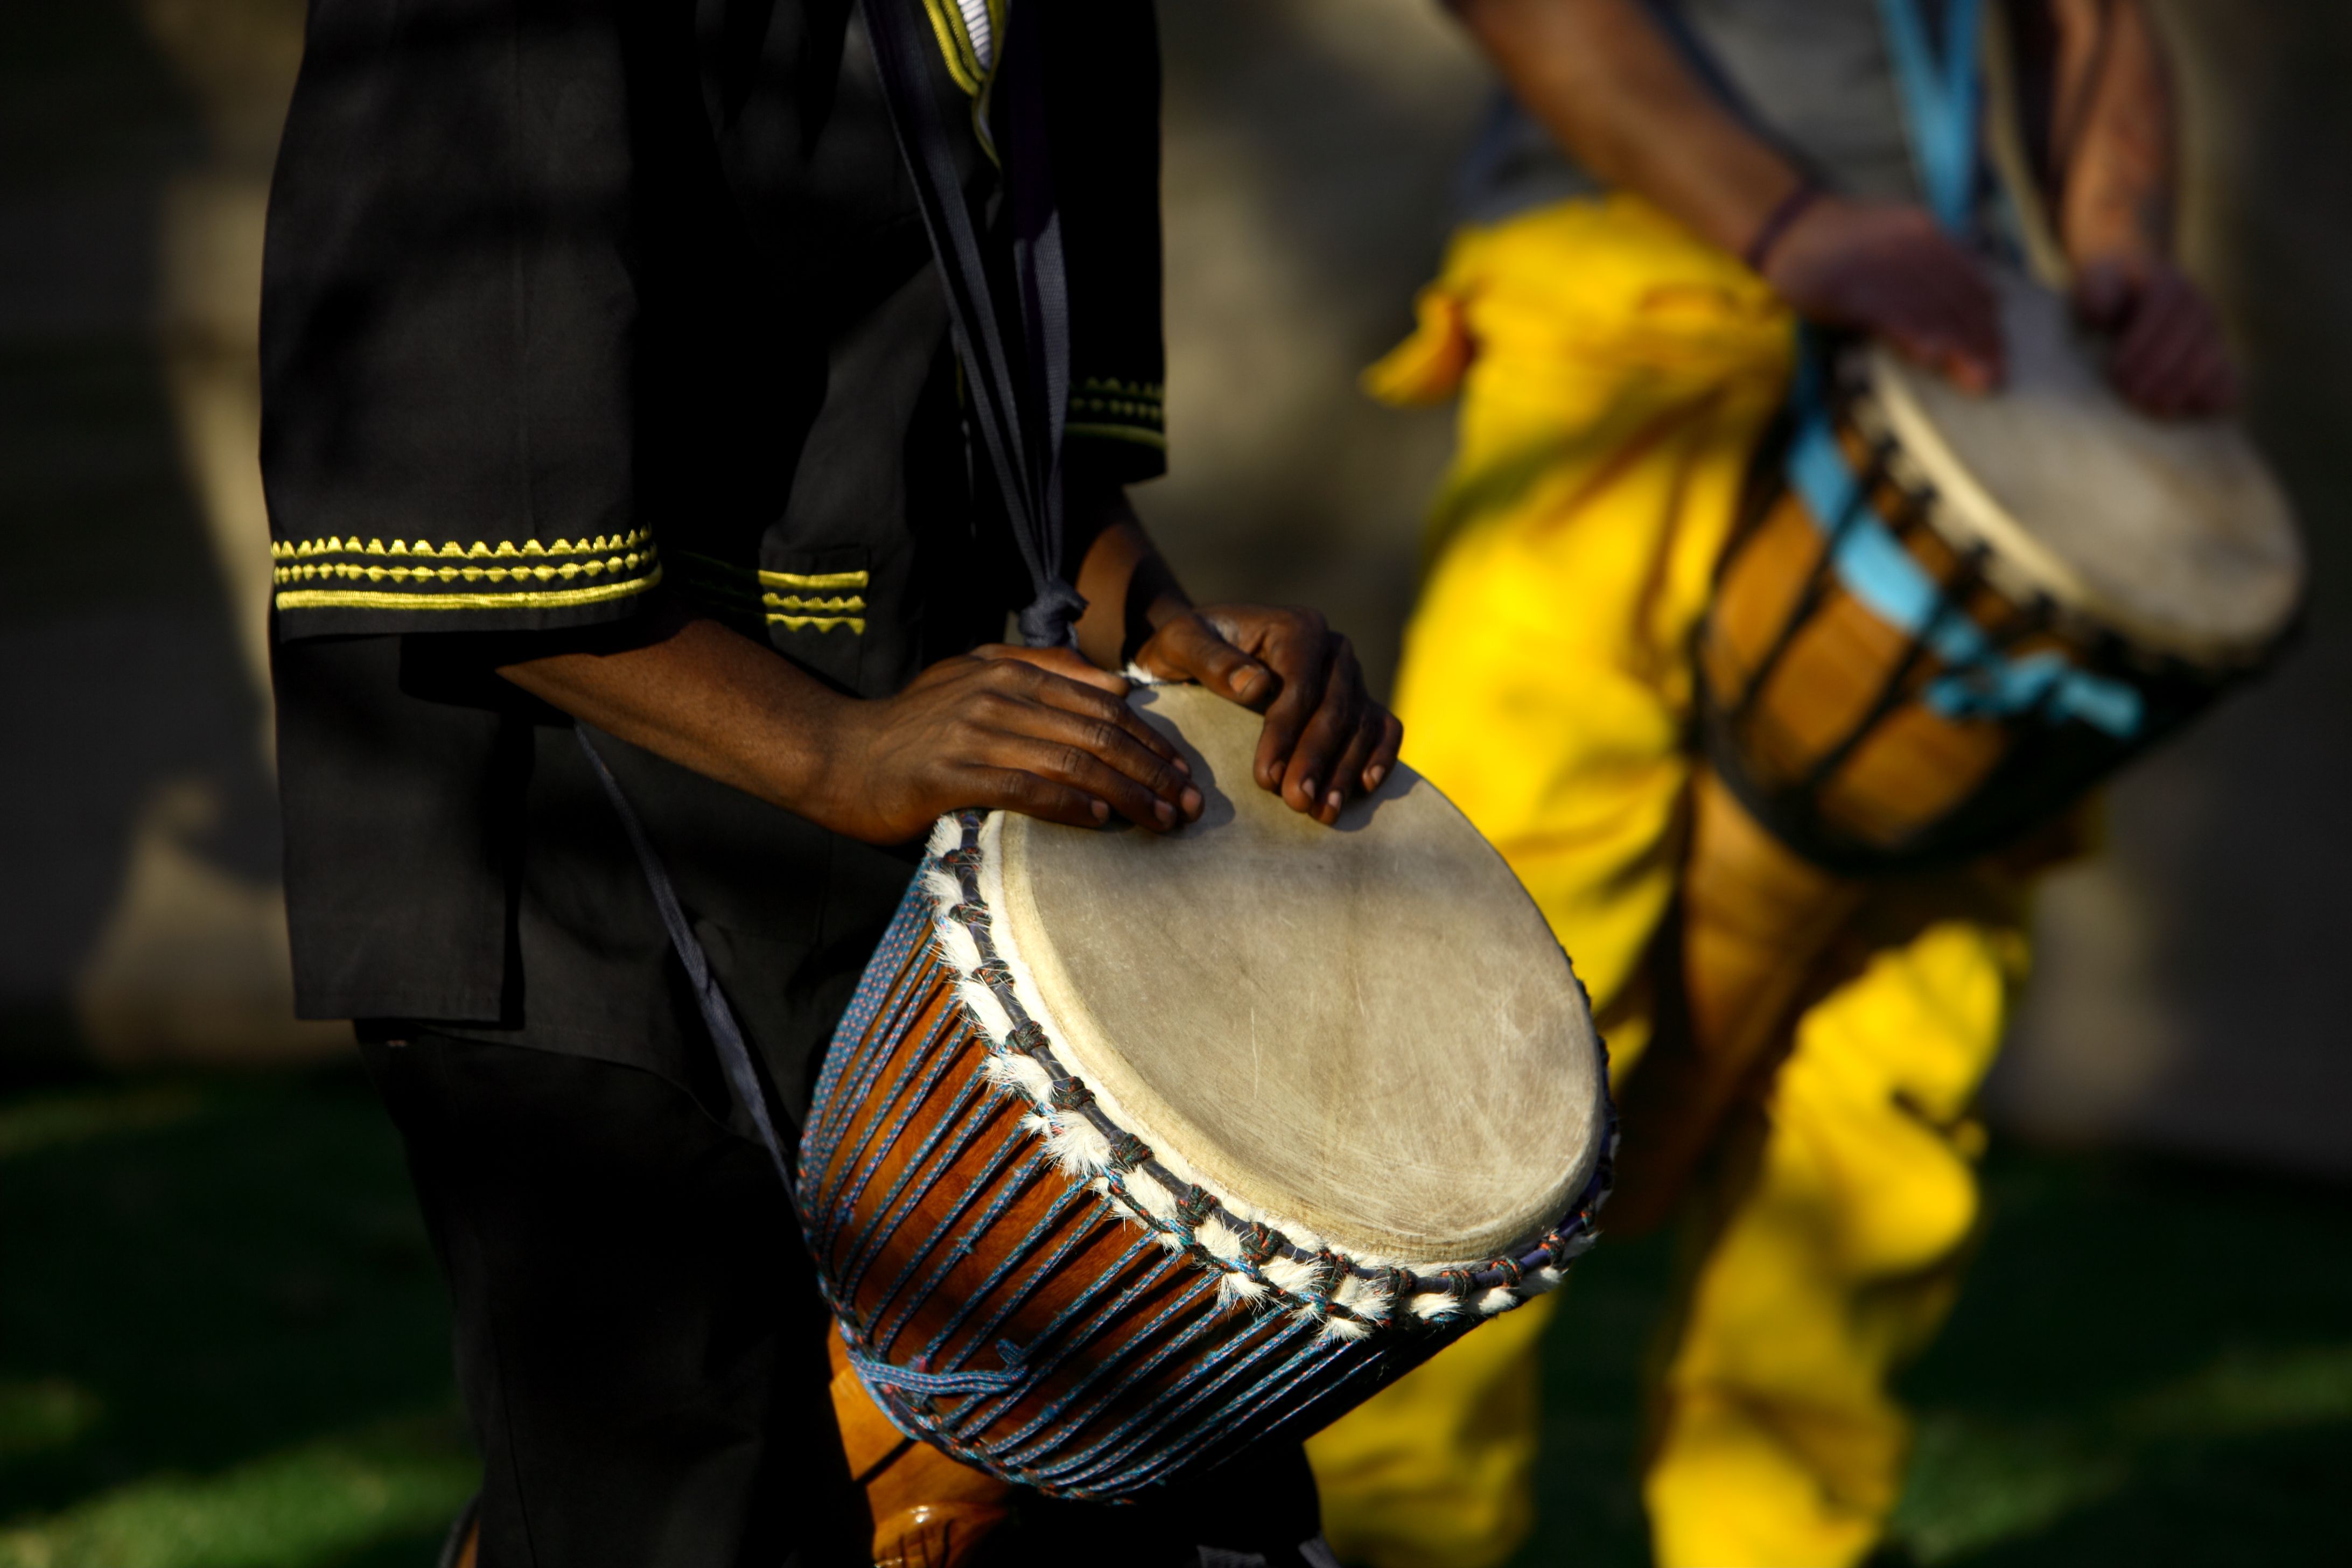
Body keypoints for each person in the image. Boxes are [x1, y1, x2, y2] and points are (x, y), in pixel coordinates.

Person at [260, 2, 1398, 1564]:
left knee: (1137, 1504)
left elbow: (1018, 443)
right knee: (689, 1497)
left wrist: (1173, 636)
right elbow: (456, 513)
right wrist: (834, 751)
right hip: (569, 846)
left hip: (901, 831)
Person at [1301, 2, 2233, 1565]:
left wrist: (2121, 248)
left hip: (1965, 360)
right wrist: (1784, 221)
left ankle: (1785, 1540)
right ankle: (1391, 1537)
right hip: (1627, 299)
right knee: (1491, 1004)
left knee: (1896, 1044)